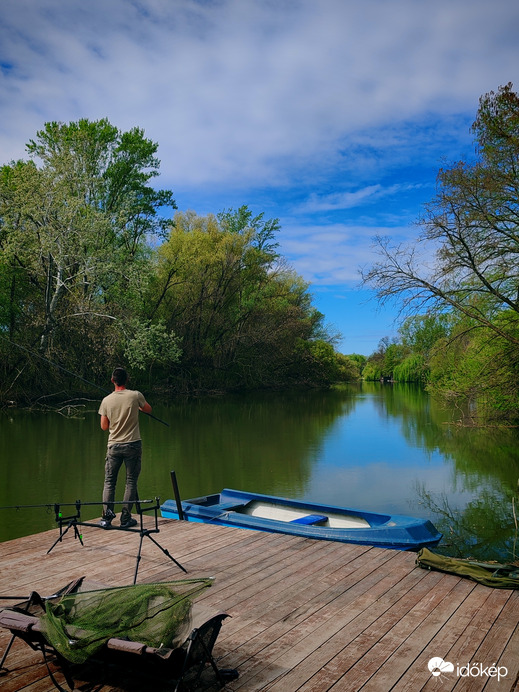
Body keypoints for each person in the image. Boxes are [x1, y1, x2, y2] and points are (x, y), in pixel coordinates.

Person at [98, 367, 152, 529]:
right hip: (133, 445)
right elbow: (148, 410)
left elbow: (104, 427)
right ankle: (125, 519)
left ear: (112, 380)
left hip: (113, 446)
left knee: (109, 482)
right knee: (130, 482)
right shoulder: (135, 395)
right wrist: (137, 407)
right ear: (127, 379)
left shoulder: (106, 400)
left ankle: (106, 519)